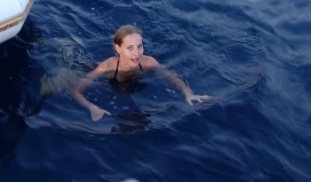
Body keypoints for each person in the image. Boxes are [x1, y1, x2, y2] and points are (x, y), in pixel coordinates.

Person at [71, 24, 211, 121]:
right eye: (130, 48)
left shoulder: (149, 62)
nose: (137, 53)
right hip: (112, 83)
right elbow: (75, 90)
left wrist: (188, 92)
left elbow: (171, 76)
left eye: (140, 46)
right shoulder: (106, 68)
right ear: (118, 48)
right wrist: (92, 107)